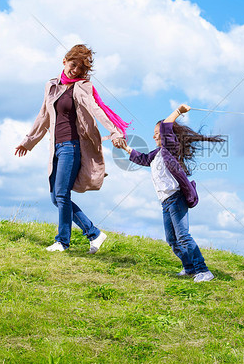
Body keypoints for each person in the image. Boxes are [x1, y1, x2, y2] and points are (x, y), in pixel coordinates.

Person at [15, 44, 128, 253]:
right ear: (64, 62)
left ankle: (62, 241)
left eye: (81, 69)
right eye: (73, 65)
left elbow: (96, 109)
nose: (75, 71)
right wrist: (28, 141)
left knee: (61, 194)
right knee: (56, 197)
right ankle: (94, 233)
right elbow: (43, 116)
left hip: (72, 147)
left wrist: (115, 131)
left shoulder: (82, 87)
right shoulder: (52, 85)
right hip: (55, 147)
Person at [119, 104, 224, 282]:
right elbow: (143, 159)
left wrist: (178, 111)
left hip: (176, 198)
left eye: (156, 132)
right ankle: (189, 268)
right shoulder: (157, 154)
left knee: (183, 236)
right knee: (172, 240)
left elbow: (167, 126)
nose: (153, 136)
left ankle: (204, 270)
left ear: (167, 135)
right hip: (165, 202)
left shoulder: (170, 148)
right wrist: (126, 148)